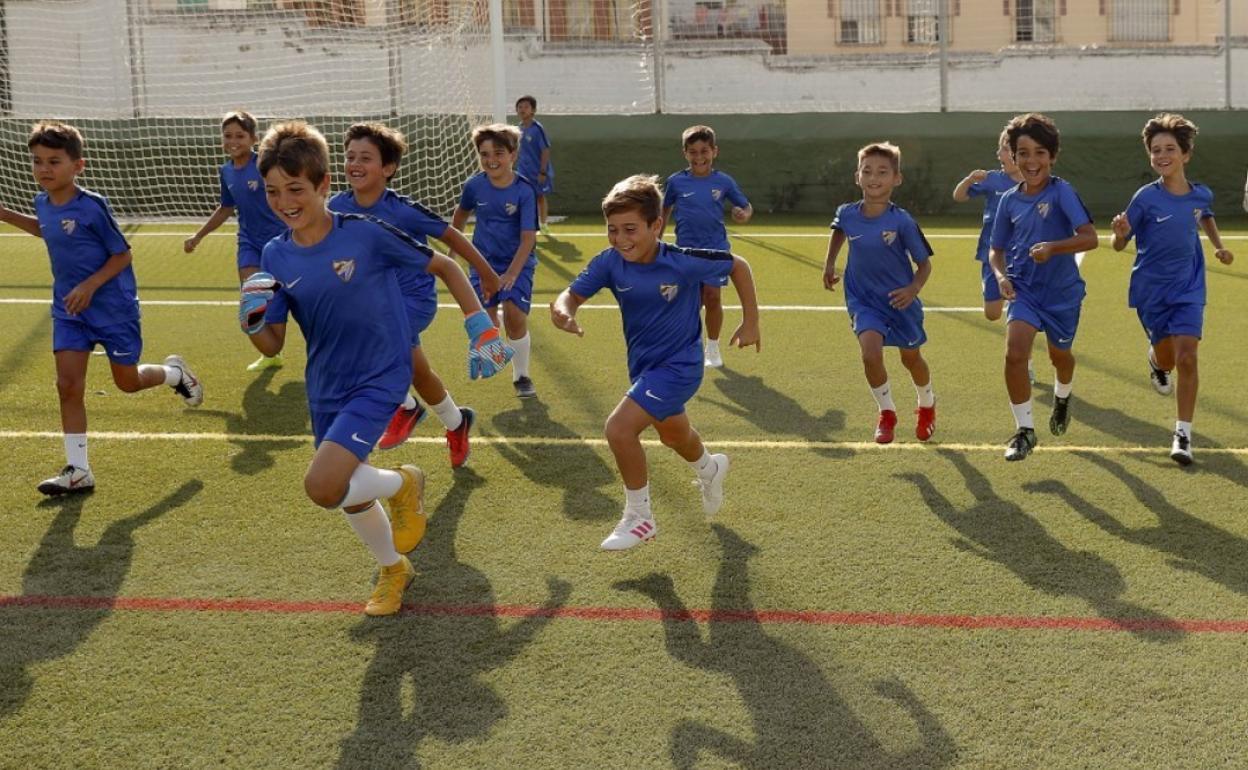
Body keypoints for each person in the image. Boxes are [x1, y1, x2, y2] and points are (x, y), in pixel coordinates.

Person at [243, 120, 510, 615]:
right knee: (348, 494)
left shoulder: (365, 233)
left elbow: (446, 265)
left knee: (322, 486)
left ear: (324, 186)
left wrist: (481, 327)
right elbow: (273, 340)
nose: (284, 202)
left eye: (296, 189)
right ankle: (393, 568)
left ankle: (403, 483)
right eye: (274, 191)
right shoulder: (274, 254)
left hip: (380, 375)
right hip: (327, 383)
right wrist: (253, 316)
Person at [549, 174, 761, 551]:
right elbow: (570, 295)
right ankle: (710, 469)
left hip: (681, 367)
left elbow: (738, 265)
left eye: (630, 229)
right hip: (645, 369)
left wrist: (750, 320)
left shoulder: (681, 261)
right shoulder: (610, 263)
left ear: (656, 225)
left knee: (618, 429)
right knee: (673, 435)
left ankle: (639, 517)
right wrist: (563, 311)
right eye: (612, 230)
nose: (621, 238)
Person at [0, 121, 203, 495]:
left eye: (54, 161)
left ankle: (174, 375)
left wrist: (91, 285)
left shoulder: (93, 207)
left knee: (127, 383)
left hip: (113, 309)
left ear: (78, 165)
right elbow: (50, 229)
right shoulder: (42, 202)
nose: (44, 169)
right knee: (67, 385)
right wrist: (6, 214)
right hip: (69, 310)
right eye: (38, 161)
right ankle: (78, 470)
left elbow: (122, 254)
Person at [329, 121, 503, 466]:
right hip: (371, 303)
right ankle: (456, 421)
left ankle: (406, 408)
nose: (355, 164)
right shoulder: (334, 207)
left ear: (388, 168)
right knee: (417, 372)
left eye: (366, 157)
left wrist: (486, 273)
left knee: (372, 348)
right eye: (350, 156)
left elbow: (451, 236)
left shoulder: (401, 209)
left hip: (412, 300)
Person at [1110, 113, 1234, 465]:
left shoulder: (1200, 194)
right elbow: (1120, 244)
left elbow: (1204, 214)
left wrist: (1217, 245)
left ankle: (1183, 434)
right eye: (1155, 150)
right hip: (1151, 291)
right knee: (1167, 357)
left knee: (1187, 357)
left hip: (1189, 287)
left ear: (1186, 154)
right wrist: (1119, 233)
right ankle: (1155, 360)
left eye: (1169, 149)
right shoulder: (1145, 198)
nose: (1162, 155)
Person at [988, 113, 1099, 461]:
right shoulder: (1008, 200)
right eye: (1023, 153)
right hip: (1025, 291)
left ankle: (1062, 396)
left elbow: (1090, 238)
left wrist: (1053, 247)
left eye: (1039, 153)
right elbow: (996, 250)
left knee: (1059, 357)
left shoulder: (1062, 191)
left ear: (1051, 156)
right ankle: (1025, 431)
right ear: (1013, 156)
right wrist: (1002, 277)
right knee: (1015, 353)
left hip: (1062, 295)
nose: (1031, 161)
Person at [823, 142, 936, 444]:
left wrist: (913, 289)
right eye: (867, 171)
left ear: (896, 179)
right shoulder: (847, 213)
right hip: (864, 300)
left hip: (900, 301)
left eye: (883, 172)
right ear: (856, 176)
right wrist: (830, 262)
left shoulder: (902, 221)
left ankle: (926, 404)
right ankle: (886, 412)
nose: (874, 177)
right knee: (870, 354)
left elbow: (924, 265)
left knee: (911, 360)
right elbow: (839, 231)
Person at [184, 110, 288, 372]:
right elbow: (226, 208)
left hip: (280, 241)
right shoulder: (226, 171)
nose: (233, 141)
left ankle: (276, 345)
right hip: (249, 241)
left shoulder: (265, 165)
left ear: (253, 138)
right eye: (228, 135)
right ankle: (269, 353)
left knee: (285, 297)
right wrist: (198, 236)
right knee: (252, 296)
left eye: (240, 135)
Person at [452, 124, 540, 399]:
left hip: (517, 263)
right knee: (488, 329)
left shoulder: (524, 191)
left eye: (498, 153)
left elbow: (528, 239)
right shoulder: (474, 185)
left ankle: (522, 376)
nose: (491, 159)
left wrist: (512, 274)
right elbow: (460, 216)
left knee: (515, 316)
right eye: (484, 153)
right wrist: (453, 253)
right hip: (482, 263)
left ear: (512, 155)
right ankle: (495, 318)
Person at [662, 125, 753, 369]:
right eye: (693, 152)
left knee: (712, 297)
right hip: (686, 251)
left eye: (704, 151)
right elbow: (665, 209)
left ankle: (712, 347)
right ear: (685, 153)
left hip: (716, 250)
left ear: (715, 151)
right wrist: (656, 239)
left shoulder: (723, 181)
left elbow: (745, 206)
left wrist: (742, 213)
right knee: (689, 302)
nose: (699, 157)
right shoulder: (676, 182)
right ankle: (685, 346)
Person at [952, 129, 1024, 322]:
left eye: (1005, 149)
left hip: (1022, 256)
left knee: (1022, 309)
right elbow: (959, 196)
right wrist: (968, 180)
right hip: (992, 254)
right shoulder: (992, 180)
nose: (999, 154)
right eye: (999, 149)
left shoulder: (1034, 184)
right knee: (992, 314)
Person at [514, 95, 553, 236]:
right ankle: (526, 225)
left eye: (526, 107)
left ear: (533, 110)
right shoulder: (518, 129)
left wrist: (542, 171)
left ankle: (543, 225)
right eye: (520, 107)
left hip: (537, 171)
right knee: (522, 197)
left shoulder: (537, 129)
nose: (522, 109)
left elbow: (545, 149)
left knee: (539, 197)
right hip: (522, 170)